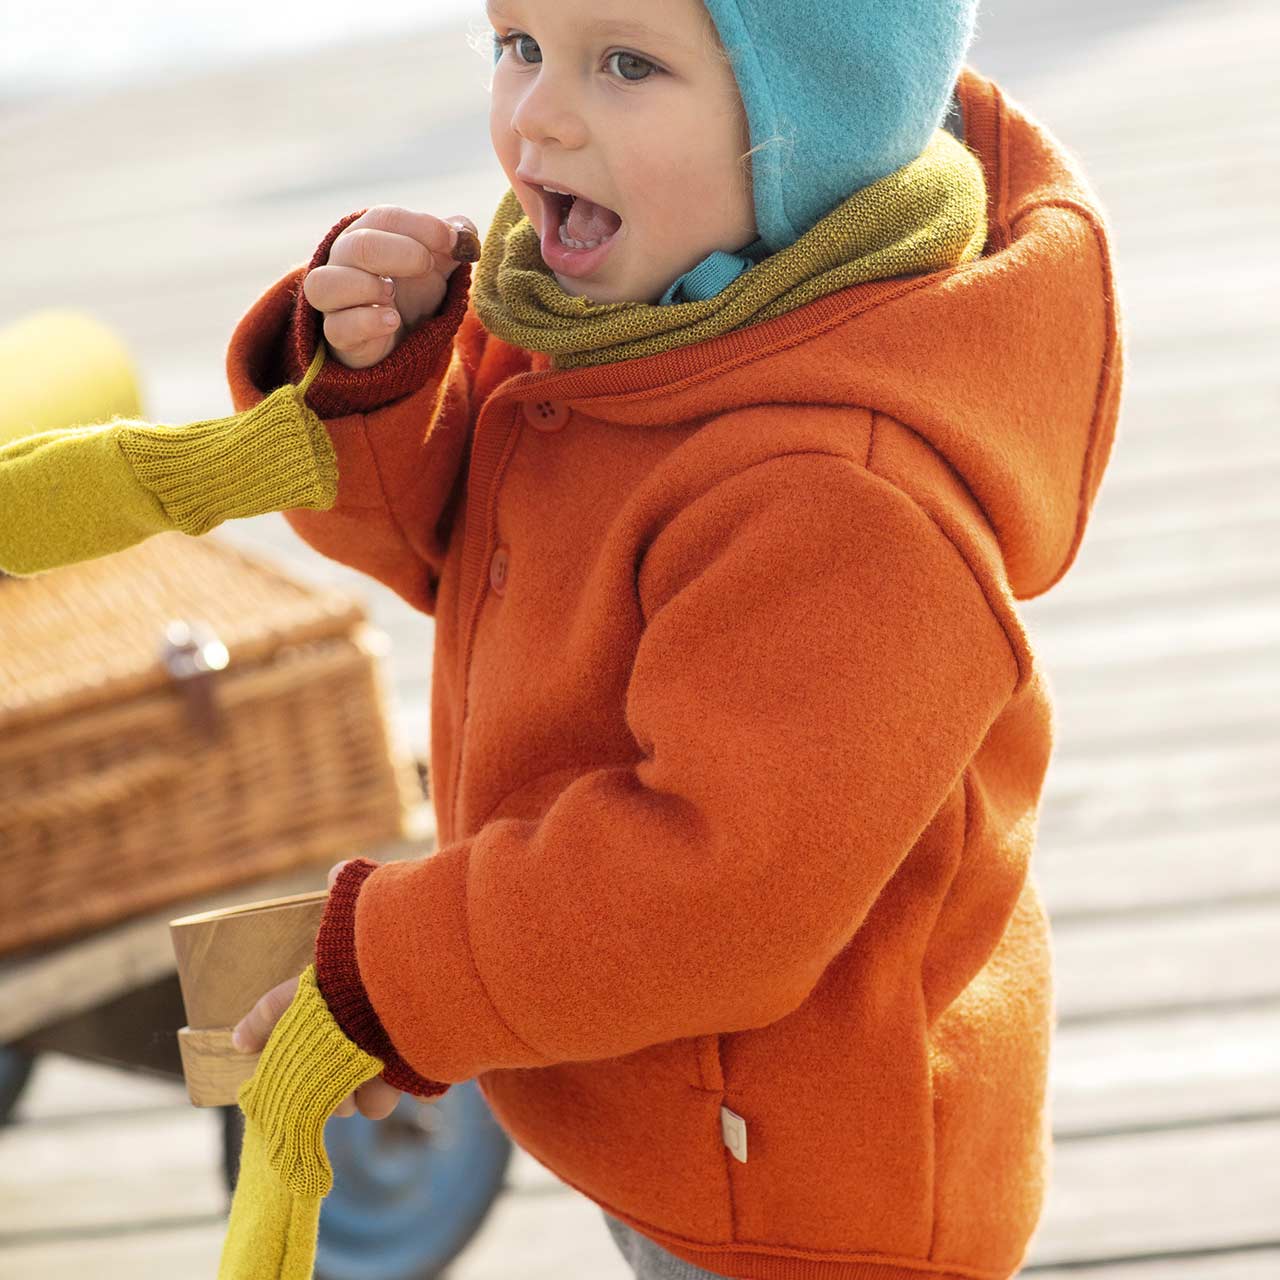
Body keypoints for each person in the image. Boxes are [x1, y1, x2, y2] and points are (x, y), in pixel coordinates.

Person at [4, 1, 1125, 1277]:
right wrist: (389, 382)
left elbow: (716, 888)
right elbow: (469, 561)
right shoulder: (644, 314)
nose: (534, 112)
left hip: (804, 1193)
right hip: (671, 1106)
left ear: (808, 121)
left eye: (626, 63)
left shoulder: (841, 502)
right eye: (517, 43)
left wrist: (398, 971)